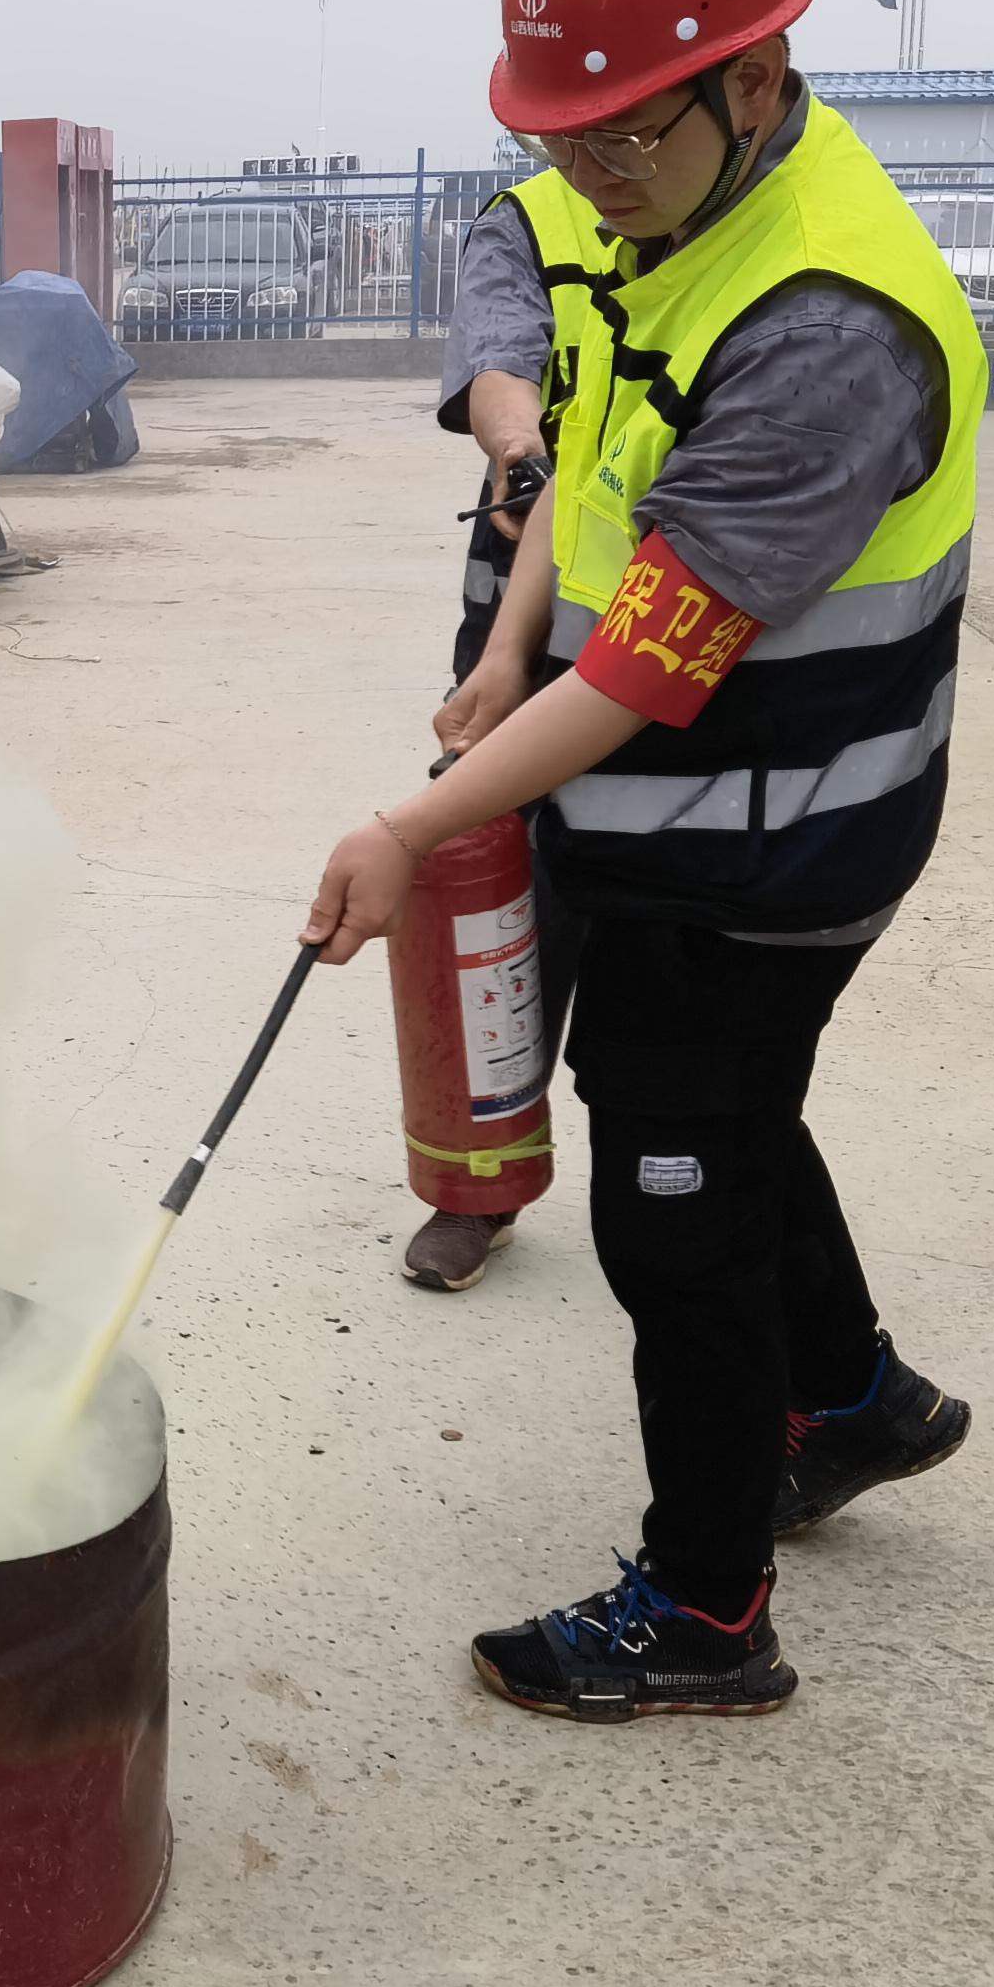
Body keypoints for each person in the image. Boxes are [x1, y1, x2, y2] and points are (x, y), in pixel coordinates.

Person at [305, 0, 975, 1723]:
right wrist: (501, 647)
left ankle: (703, 1611)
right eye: (561, 137)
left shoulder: (824, 325)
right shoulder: (668, 219)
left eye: (620, 135)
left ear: (753, 76)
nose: (584, 181)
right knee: (711, 1109)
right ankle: (844, 1396)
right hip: (678, 815)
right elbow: (588, 485)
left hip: (768, 838)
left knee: (669, 1204)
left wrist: (411, 829)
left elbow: (653, 661)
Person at [394, 156, 626, 1290]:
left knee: (643, 900)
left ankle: (667, 1164)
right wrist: (519, 455)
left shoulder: (738, 233)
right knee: (492, 899)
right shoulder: (527, 219)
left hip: (666, 611)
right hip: (525, 617)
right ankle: (473, 1181)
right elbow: (500, 364)